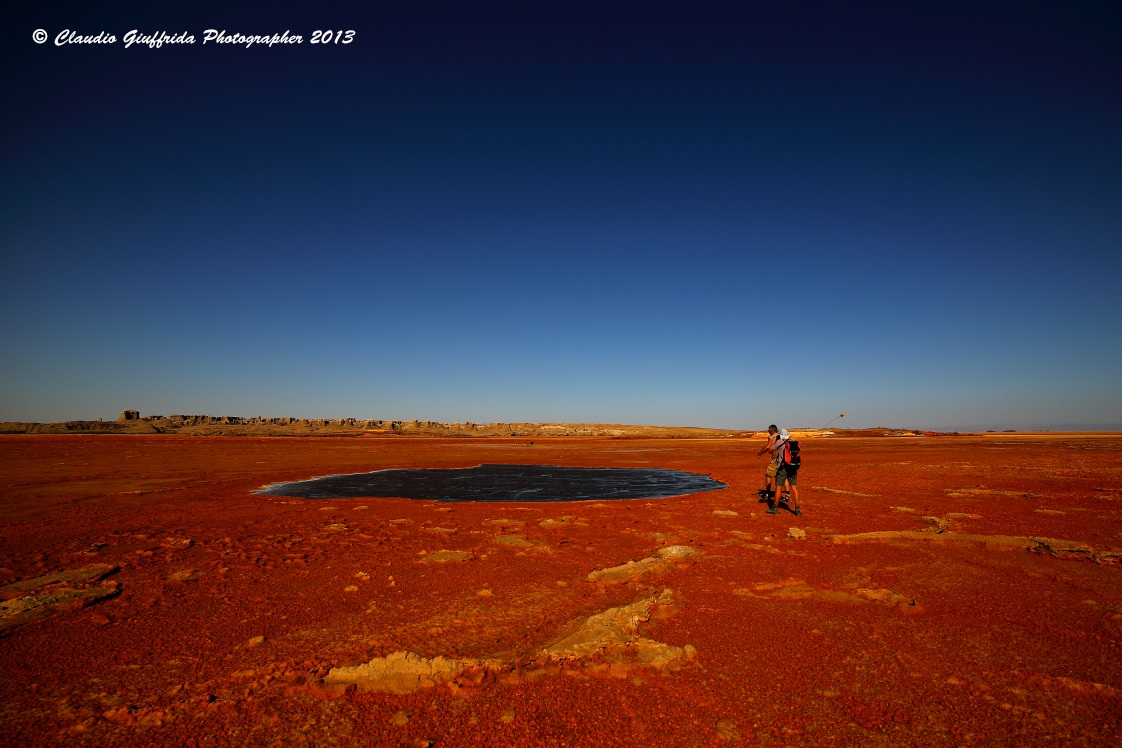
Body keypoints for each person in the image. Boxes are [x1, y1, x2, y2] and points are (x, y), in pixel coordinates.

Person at [773, 432, 801, 516]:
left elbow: (771, 450)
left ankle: (775, 508)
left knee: (778, 487)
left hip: (783, 468)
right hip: (793, 467)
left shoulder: (779, 442)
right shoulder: (794, 443)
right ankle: (797, 509)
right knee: (794, 488)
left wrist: (776, 441)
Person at [756, 425, 783, 505]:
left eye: (769, 430)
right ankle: (787, 494)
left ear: (771, 430)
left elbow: (768, 446)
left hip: (776, 458)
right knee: (782, 475)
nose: (768, 431)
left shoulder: (772, 437)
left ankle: (767, 493)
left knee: (768, 475)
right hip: (783, 458)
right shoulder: (782, 436)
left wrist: (760, 453)